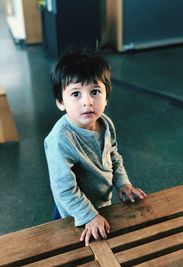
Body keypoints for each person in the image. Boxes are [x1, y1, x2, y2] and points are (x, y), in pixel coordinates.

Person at [44, 46, 146, 246]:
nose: (87, 102)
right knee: (71, 254)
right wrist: (88, 216)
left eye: (95, 91)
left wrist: (123, 183)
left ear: (106, 96)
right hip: (74, 215)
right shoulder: (60, 140)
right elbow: (64, 190)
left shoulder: (105, 123)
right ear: (60, 102)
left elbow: (113, 156)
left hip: (102, 205)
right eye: (76, 94)